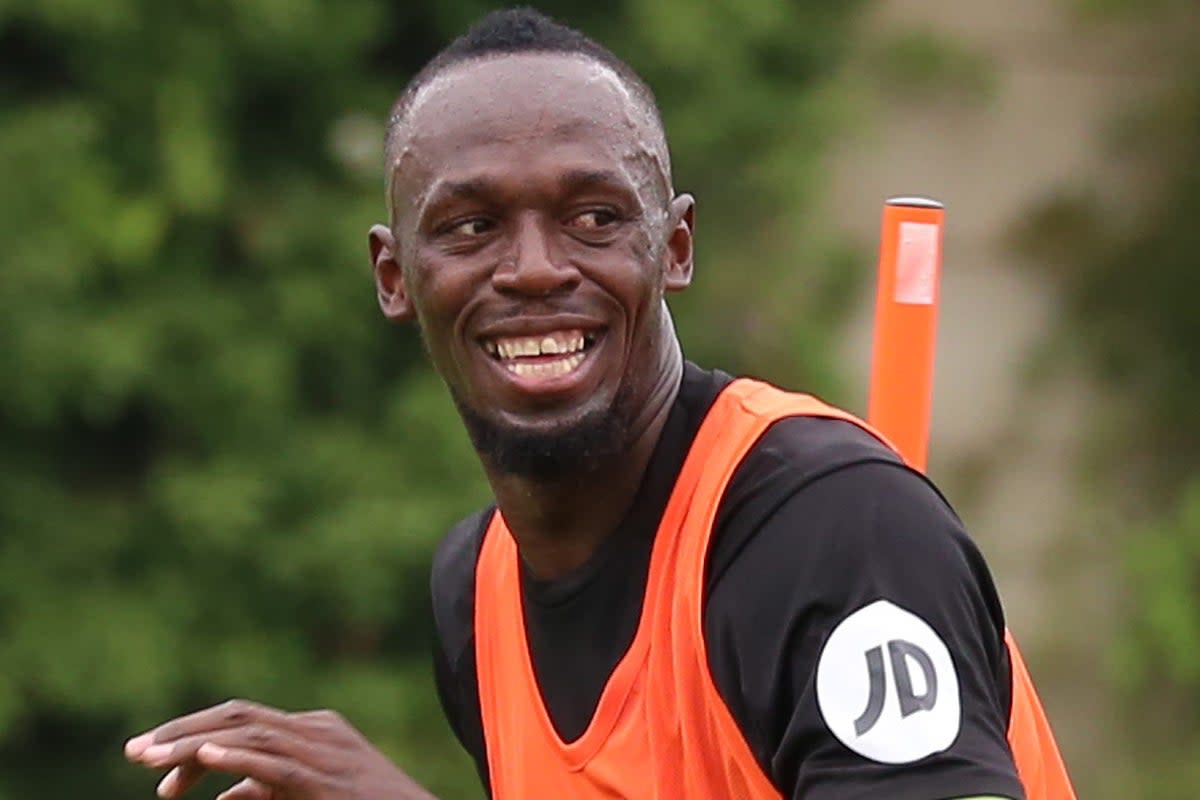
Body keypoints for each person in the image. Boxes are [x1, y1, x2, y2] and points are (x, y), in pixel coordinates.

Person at [124, 8, 1076, 800]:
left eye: (594, 218)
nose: (535, 269)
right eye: (471, 226)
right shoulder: (477, 590)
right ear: (394, 275)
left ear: (673, 245)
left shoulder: (833, 532)